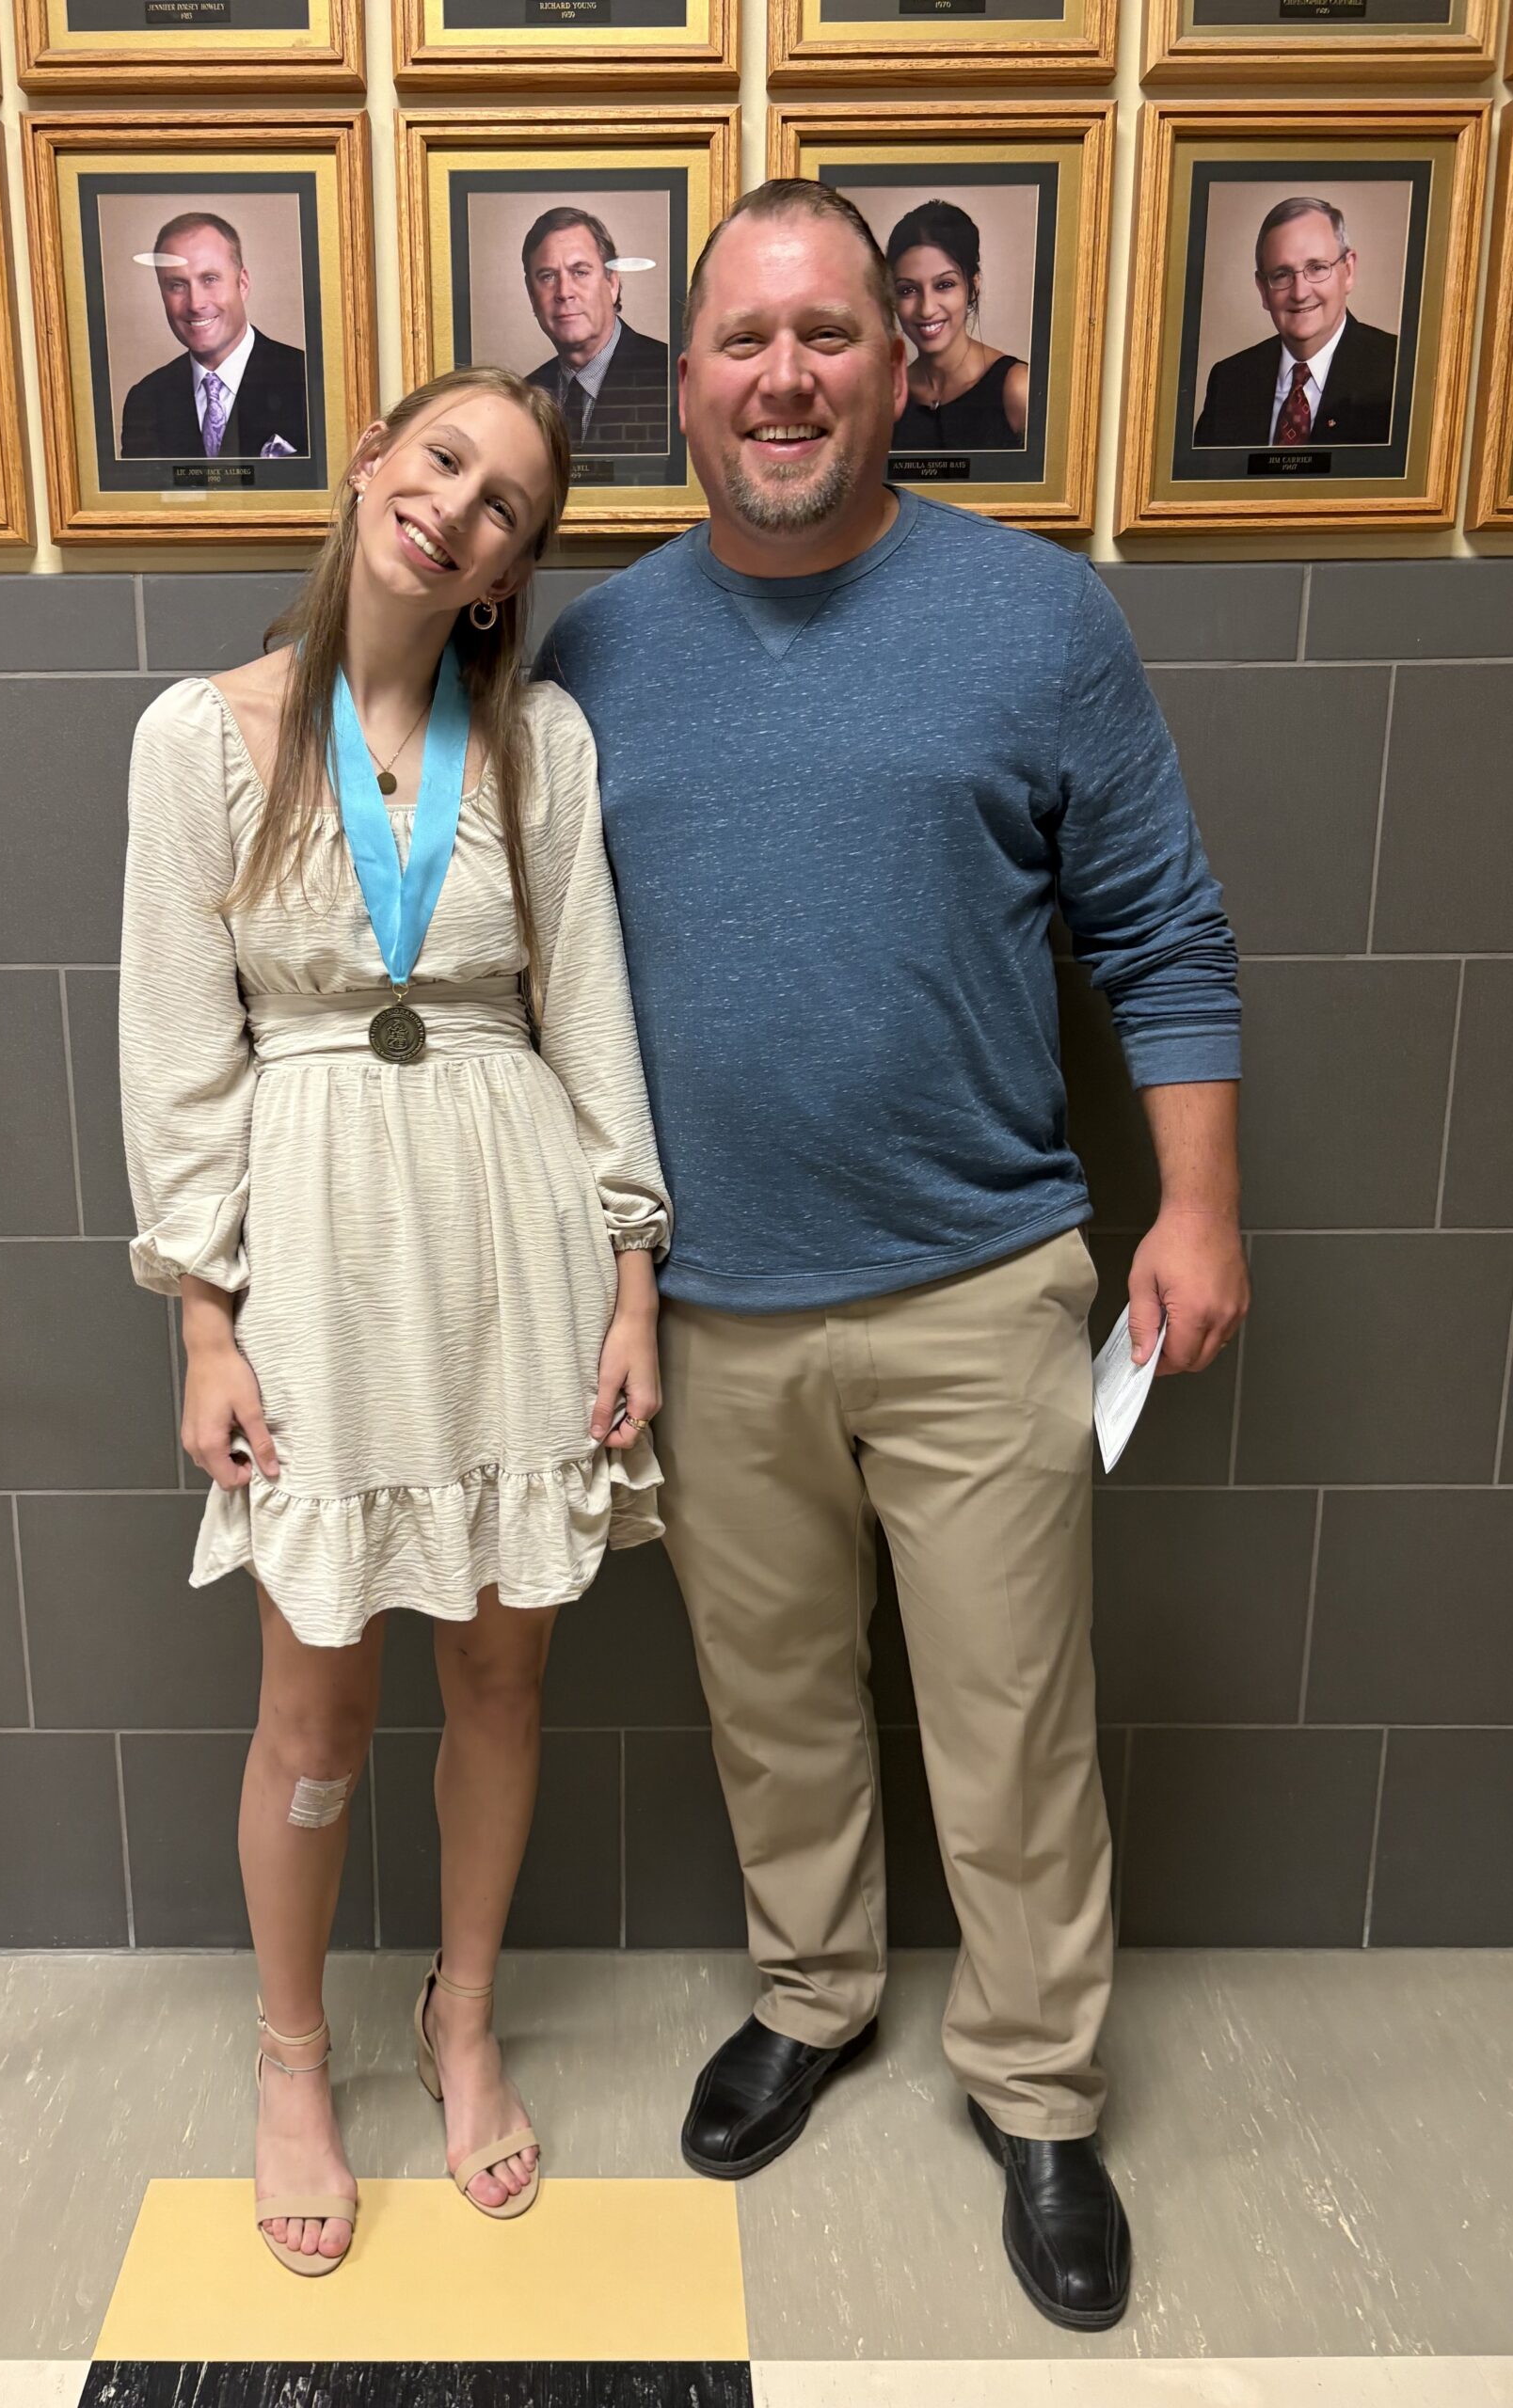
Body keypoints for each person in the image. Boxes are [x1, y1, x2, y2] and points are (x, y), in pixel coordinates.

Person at [538, 180, 1246, 2334]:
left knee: (1013, 1724)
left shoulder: (1039, 624)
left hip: (979, 1281)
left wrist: (1195, 1202)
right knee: (775, 1711)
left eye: (825, 335)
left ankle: (1036, 2092)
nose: (781, 376)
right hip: (710, 1306)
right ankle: (814, 1994)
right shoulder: (592, 652)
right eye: (741, 340)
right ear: (687, 379)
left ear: (899, 358)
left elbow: (1162, 933)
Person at [119, 365, 669, 2279]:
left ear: (514, 572)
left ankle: (462, 2009)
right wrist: (205, 1321)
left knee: (506, 1676)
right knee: (315, 1694)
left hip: (513, 1231)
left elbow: (589, 1012)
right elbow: (181, 1062)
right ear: (370, 461)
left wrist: (629, 1277)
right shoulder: (202, 737)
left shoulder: (546, 750)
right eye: (442, 459)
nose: (459, 506)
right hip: (322, 1249)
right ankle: (292, 2052)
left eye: (507, 501)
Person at [1193, 196, 1397, 450]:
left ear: (1349, 271)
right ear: (1262, 290)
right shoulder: (1230, 381)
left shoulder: (1399, 371)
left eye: (1317, 268)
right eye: (1281, 275)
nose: (1300, 293)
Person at [119, 212, 311, 461]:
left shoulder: (307, 380)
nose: (195, 303)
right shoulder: (145, 400)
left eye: (209, 279)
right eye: (177, 285)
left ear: (242, 283)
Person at [520, 206, 671, 453]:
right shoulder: (524, 398)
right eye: (547, 276)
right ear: (531, 293)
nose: (564, 292)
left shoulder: (671, 379)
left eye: (580, 272)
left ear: (612, 283)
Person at [886, 199, 1027, 452]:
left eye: (944, 285)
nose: (927, 308)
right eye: (907, 290)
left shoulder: (1018, 388)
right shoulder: (887, 398)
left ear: (973, 286)